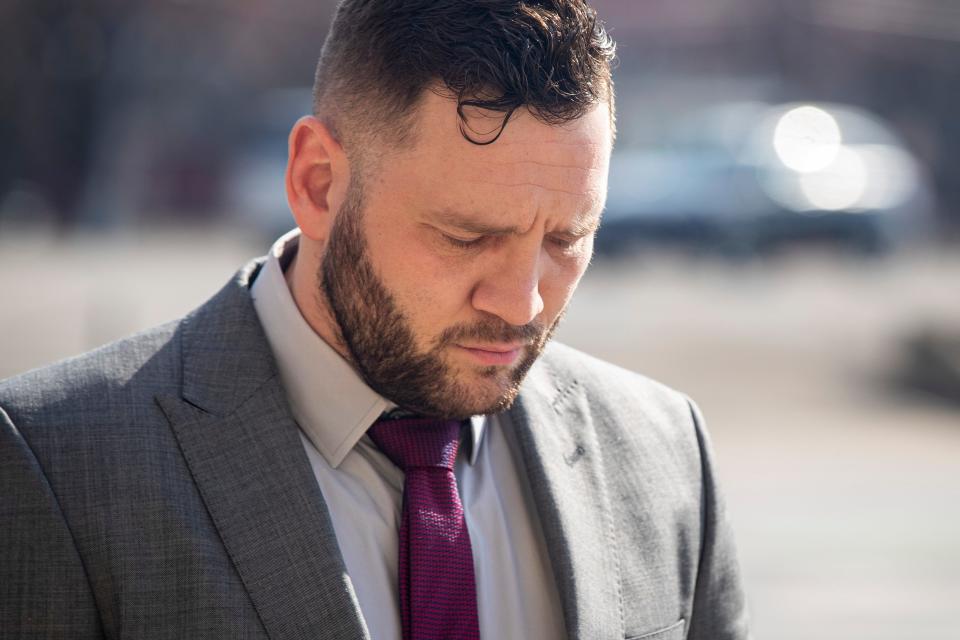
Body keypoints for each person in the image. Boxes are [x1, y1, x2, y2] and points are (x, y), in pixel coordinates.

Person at [0, 1, 749, 639]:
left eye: (567, 239)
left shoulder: (666, 451)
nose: (521, 303)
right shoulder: (54, 468)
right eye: (467, 236)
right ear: (317, 184)